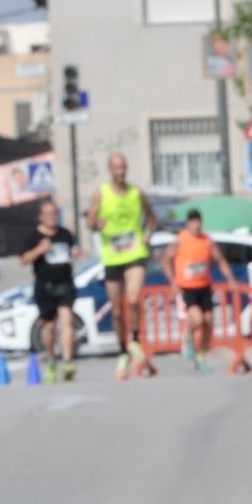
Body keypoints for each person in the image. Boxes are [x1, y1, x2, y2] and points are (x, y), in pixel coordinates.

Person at [85, 152, 159, 379]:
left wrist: (147, 233)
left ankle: (135, 339)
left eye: (124, 167)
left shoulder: (137, 193)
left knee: (134, 298)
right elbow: (89, 222)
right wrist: (97, 223)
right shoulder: (101, 193)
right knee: (117, 311)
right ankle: (122, 349)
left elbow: (151, 218)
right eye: (117, 167)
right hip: (112, 257)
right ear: (110, 169)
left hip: (135, 252)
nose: (121, 171)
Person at [20, 199, 79, 381]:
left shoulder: (65, 234)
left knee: (67, 321)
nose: (52, 217)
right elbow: (23, 260)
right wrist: (39, 250)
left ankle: (68, 361)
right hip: (44, 286)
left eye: (54, 213)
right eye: (48, 213)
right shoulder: (33, 236)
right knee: (50, 326)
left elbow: (73, 249)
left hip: (65, 284)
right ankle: (51, 359)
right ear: (41, 217)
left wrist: (75, 252)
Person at [165, 209, 222, 373]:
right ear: (188, 223)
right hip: (187, 288)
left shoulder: (206, 240)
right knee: (197, 319)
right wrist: (173, 283)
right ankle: (188, 335)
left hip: (204, 286)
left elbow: (219, 259)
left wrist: (231, 279)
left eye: (198, 221)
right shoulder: (180, 240)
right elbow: (165, 261)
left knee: (209, 322)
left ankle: (202, 355)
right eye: (193, 221)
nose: (196, 225)